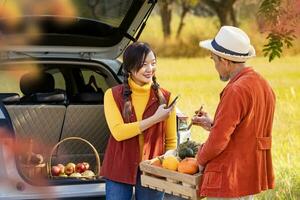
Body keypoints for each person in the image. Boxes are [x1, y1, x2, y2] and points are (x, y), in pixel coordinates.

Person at [192, 26, 276, 200]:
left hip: (230, 177)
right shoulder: (263, 84)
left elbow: (218, 141)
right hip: (249, 175)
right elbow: (245, 129)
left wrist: (199, 160)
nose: (215, 66)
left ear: (225, 61)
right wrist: (213, 124)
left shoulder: (236, 90)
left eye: (214, 60)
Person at [101, 42, 177, 200]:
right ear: (129, 68)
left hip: (153, 170)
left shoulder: (166, 97)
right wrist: (155, 119)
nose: (150, 69)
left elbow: (171, 142)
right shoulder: (112, 95)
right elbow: (118, 132)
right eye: (143, 65)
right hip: (119, 167)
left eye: (153, 63)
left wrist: (162, 162)